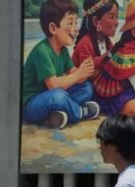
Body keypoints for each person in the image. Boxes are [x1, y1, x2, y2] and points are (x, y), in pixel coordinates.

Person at [22, 0, 100, 129]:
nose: (75, 28)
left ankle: (59, 113)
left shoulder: (62, 49)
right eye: (70, 23)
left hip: (51, 96)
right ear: (53, 28)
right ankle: (79, 112)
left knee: (86, 87)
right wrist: (79, 74)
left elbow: (73, 73)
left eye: (76, 23)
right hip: (31, 105)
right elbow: (53, 85)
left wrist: (85, 71)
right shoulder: (42, 51)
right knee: (59, 95)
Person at [72, 0, 119, 71]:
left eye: (117, 17)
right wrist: (109, 54)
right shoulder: (85, 44)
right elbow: (89, 72)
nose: (117, 22)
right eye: (112, 17)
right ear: (96, 21)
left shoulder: (107, 42)